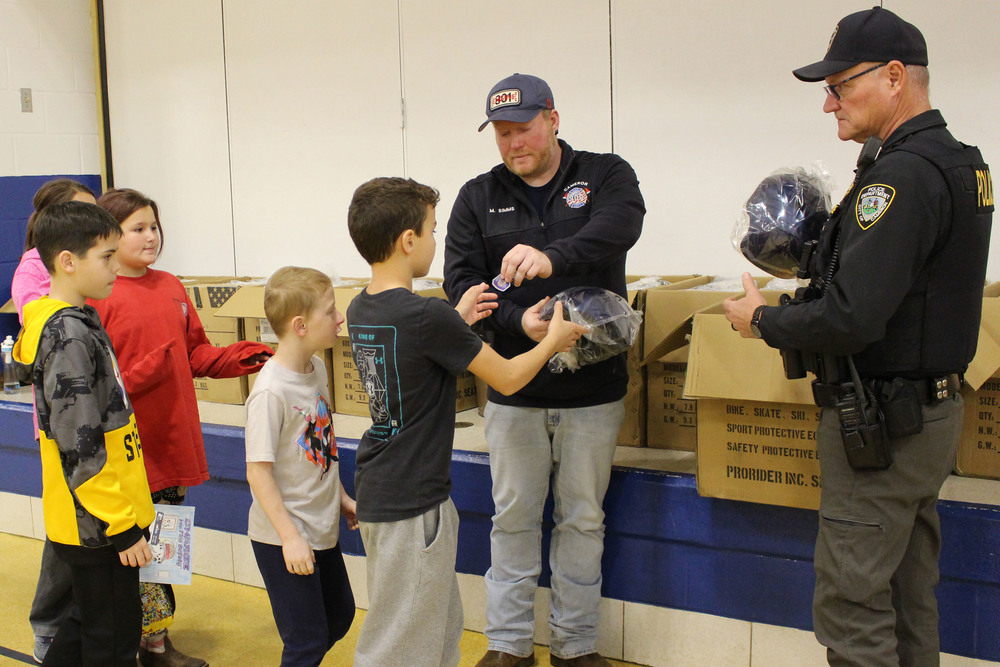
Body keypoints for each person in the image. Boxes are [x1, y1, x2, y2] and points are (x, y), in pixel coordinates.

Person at [723, 7, 993, 666]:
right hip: (925, 416)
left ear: (895, 76)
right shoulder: (961, 164)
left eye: (840, 86)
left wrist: (762, 320)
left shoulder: (898, 179)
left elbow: (852, 317)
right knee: (906, 597)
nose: (828, 104)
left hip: (882, 432)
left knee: (852, 608)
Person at [443, 74, 644, 667]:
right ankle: (507, 647)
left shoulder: (606, 176)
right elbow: (462, 285)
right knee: (513, 520)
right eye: (502, 134)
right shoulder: (476, 198)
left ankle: (576, 647)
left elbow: (620, 228)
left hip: (594, 390)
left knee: (582, 520)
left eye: (523, 129)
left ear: (553, 118)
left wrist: (553, 256)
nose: (513, 144)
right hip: (513, 388)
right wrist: (517, 323)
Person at [346, 176, 587, 667]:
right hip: (413, 505)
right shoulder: (425, 316)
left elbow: (413, 351)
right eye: (432, 230)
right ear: (408, 241)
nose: (437, 240)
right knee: (399, 644)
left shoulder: (362, 306)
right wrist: (552, 341)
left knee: (434, 630)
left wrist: (456, 317)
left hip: (383, 489)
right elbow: (510, 377)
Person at [90, 188, 273, 667]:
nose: (150, 236)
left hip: (173, 440)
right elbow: (96, 389)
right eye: (138, 228)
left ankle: (156, 642)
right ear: (109, 236)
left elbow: (195, 354)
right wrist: (143, 374)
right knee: (134, 550)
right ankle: (131, 641)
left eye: (154, 226)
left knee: (167, 544)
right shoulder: (99, 299)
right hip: (129, 451)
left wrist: (245, 357)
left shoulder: (172, 285)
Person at [13, 200, 155, 666]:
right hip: (98, 524)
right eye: (107, 257)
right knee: (111, 642)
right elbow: (83, 448)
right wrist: (122, 526)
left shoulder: (78, 321)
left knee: (84, 625)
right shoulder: (67, 336)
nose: (117, 266)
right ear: (68, 262)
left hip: (99, 518)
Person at [244, 266, 358, 666]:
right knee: (306, 642)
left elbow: (323, 443)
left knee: (340, 617)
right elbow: (257, 471)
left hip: (320, 527)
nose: (339, 318)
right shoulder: (271, 391)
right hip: (284, 537)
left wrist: (342, 495)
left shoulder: (317, 370)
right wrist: (291, 537)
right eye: (330, 311)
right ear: (300, 325)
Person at [10, 179, 98, 664]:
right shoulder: (33, 272)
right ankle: (48, 629)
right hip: (67, 424)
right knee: (67, 535)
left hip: (107, 418)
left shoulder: (104, 267)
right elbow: (48, 331)